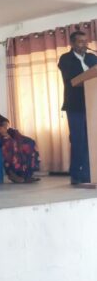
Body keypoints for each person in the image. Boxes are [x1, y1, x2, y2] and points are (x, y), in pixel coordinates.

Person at [58, 30, 97, 185]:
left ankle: (89, 173)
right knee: (78, 139)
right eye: (80, 41)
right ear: (72, 43)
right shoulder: (66, 58)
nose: (84, 44)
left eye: (86, 41)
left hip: (92, 105)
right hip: (75, 105)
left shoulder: (92, 57)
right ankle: (76, 174)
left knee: (92, 140)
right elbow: (71, 79)